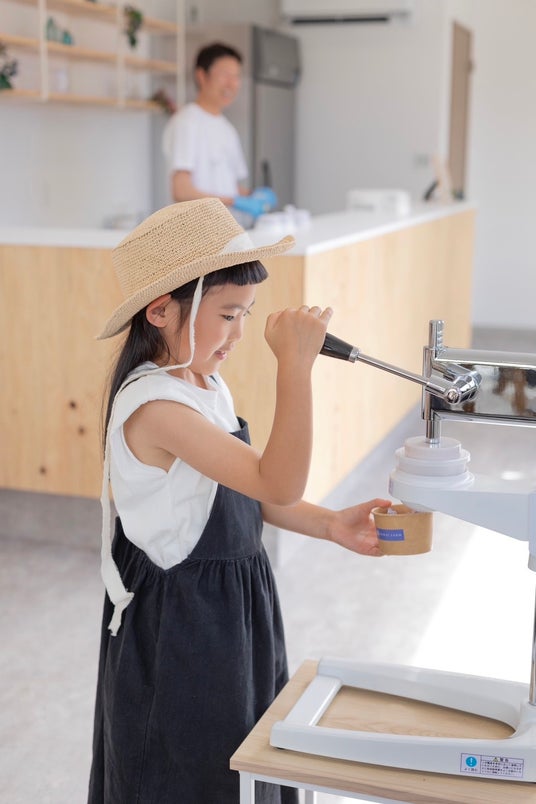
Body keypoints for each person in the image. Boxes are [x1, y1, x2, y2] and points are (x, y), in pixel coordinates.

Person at [87, 198, 389, 803]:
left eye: (246, 313)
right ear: (161, 310)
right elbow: (278, 482)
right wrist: (295, 368)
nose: (241, 333)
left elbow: (250, 490)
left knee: (246, 755)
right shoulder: (157, 408)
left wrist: (331, 524)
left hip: (234, 610)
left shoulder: (202, 383)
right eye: (228, 314)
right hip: (183, 626)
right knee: (190, 774)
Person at [162, 42, 276, 223]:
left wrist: (253, 195)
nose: (231, 84)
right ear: (201, 76)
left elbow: (229, 187)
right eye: (224, 75)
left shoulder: (228, 129)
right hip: (197, 232)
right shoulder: (187, 122)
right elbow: (181, 190)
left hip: (228, 230)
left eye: (236, 76)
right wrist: (234, 201)